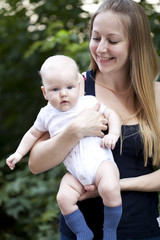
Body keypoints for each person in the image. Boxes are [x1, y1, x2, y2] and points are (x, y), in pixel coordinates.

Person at [28, 0, 160, 239]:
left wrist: (113, 185)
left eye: (112, 40)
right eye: (96, 37)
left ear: (135, 45)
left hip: (143, 231)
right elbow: (35, 164)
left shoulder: (156, 95)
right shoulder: (72, 87)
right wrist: (74, 131)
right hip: (80, 232)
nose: (100, 49)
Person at [6, 55, 122, 240]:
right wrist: (19, 153)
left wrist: (113, 134)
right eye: (55, 89)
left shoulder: (88, 102)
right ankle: (82, 232)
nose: (63, 94)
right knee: (63, 198)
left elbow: (112, 114)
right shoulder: (46, 114)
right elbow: (33, 134)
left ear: (78, 85)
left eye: (69, 87)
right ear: (45, 92)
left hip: (101, 163)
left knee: (110, 188)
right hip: (75, 173)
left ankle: (110, 231)